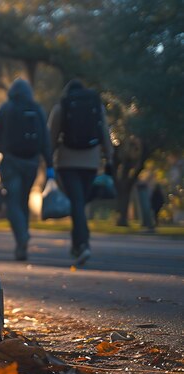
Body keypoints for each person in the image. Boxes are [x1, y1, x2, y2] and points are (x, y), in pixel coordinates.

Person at [0, 78, 54, 261]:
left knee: (13, 201)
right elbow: (46, 139)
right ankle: (22, 242)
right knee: (22, 201)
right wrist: (49, 166)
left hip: (10, 162)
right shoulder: (36, 109)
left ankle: (22, 236)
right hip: (31, 163)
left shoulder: (5, 108)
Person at [49, 79, 113, 265]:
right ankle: (78, 244)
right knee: (80, 203)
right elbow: (104, 132)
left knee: (77, 203)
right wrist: (109, 157)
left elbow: (51, 137)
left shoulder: (61, 107)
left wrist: (48, 161)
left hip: (67, 163)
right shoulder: (96, 106)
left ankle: (83, 244)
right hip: (91, 163)